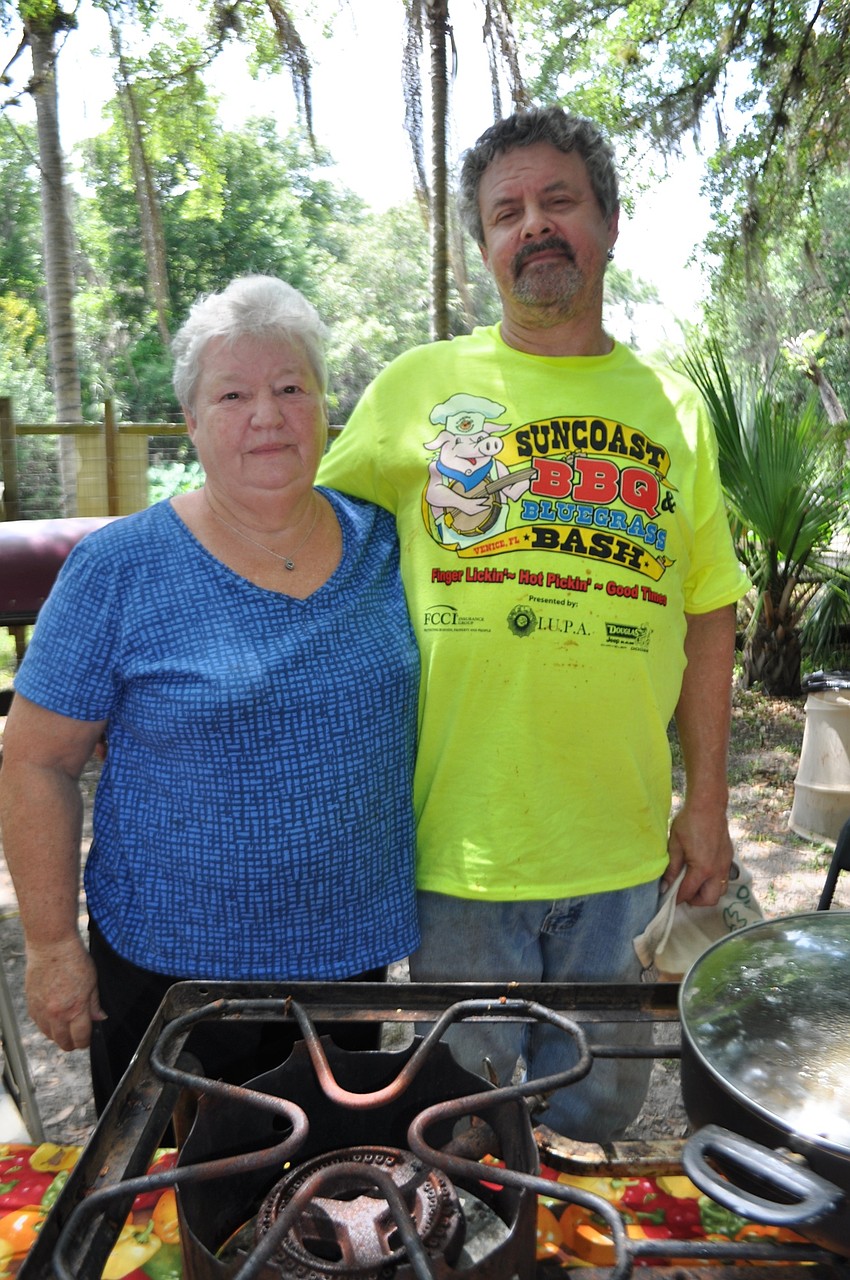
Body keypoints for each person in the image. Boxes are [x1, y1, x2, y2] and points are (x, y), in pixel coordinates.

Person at [318, 106, 750, 1142]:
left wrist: (708, 803)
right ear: (482, 247)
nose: (533, 226)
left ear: (607, 223)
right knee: (460, 1122)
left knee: (597, 1109)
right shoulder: (415, 389)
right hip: (458, 841)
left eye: (558, 201)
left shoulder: (673, 408)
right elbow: (305, 549)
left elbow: (706, 613)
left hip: (616, 841)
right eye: (505, 212)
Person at [0, 275, 420, 1115]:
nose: (266, 415)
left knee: (321, 1202)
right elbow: (37, 762)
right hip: (171, 976)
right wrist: (50, 946)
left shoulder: (389, 542)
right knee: (171, 1209)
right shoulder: (118, 569)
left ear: (325, 409)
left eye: (290, 388)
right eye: (232, 394)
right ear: (191, 422)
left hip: (349, 966)